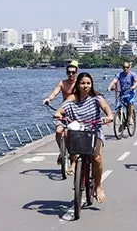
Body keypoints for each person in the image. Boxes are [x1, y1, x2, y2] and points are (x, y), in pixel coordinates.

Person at [54, 72, 113, 203]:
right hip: (78, 132)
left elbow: (107, 110)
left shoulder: (97, 98)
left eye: (88, 83)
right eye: (82, 83)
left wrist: (108, 117)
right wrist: (58, 114)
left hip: (94, 132)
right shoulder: (72, 98)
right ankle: (73, 160)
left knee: (96, 158)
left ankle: (98, 187)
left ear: (91, 85)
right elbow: (61, 110)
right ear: (78, 84)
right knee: (67, 132)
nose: (85, 86)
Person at [42, 60, 79, 166]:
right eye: (69, 72)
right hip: (64, 111)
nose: (71, 74)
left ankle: (73, 156)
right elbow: (55, 92)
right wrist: (48, 99)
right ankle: (62, 151)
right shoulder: (63, 83)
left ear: (76, 72)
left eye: (73, 72)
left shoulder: (80, 83)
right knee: (59, 131)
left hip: (77, 113)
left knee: (71, 134)